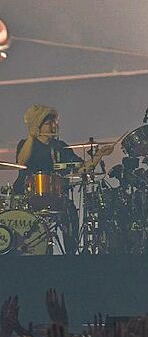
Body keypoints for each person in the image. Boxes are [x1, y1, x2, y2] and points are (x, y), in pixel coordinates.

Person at [14, 105, 112, 254]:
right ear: (38, 125)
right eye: (49, 123)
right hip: (28, 196)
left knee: (70, 212)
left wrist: (99, 156)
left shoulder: (60, 147)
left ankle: (70, 256)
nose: (55, 126)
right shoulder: (26, 144)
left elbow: (81, 169)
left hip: (56, 196)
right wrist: (31, 136)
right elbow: (21, 162)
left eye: (55, 122)